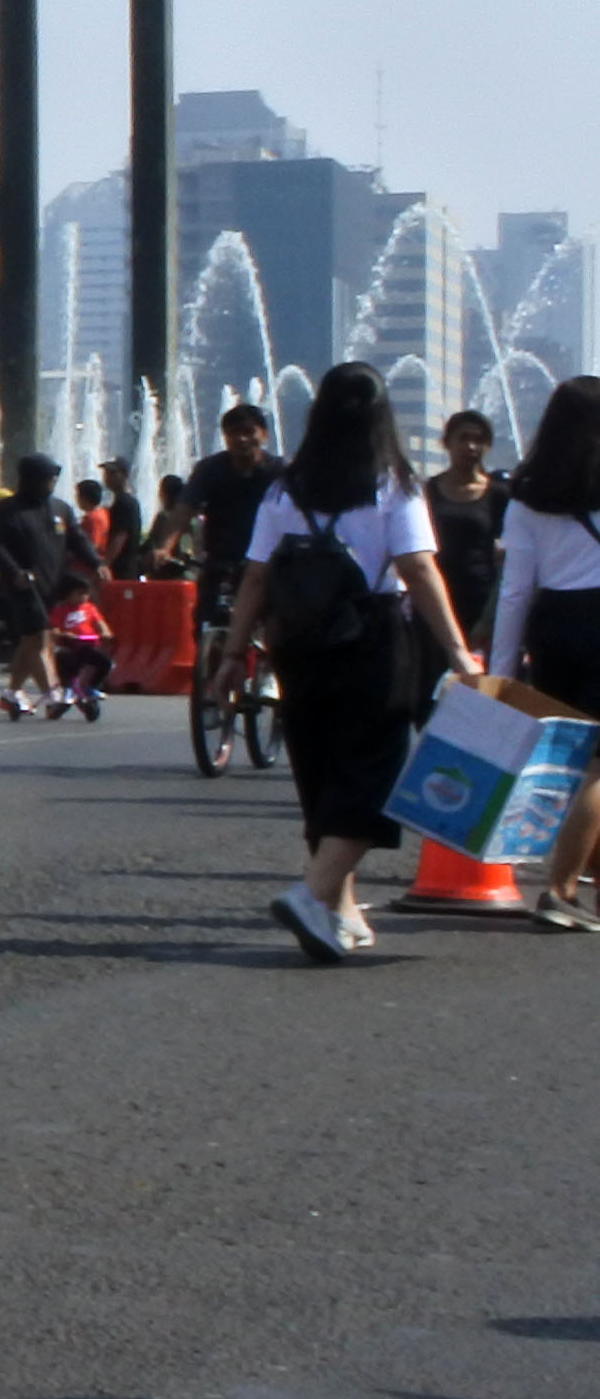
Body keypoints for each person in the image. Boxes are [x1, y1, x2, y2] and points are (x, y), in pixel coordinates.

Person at [225, 363, 480, 958]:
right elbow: (417, 568)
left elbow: (257, 575)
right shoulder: (393, 483)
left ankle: (340, 911)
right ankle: (314, 894)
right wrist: (456, 649)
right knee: (376, 769)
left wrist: (232, 653)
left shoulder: (285, 487)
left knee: (318, 765)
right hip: (371, 637)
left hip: (297, 643)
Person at [489, 377, 600, 932]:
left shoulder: (528, 496)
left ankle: (589, 885)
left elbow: (514, 592)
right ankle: (558, 891)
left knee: (572, 760)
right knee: (597, 770)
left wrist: (502, 678)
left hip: (553, 625)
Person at [0, 456, 93, 719]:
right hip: (21, 583)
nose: (52, 483)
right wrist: (14, 572)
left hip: (52, 584)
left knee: (34, 639)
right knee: (38, 634)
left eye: (54, 478)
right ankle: (52, 694)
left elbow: (77, 539)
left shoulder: (61, 509)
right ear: (31, 479)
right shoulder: (8, 510)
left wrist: (95, 562)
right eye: (47, 478)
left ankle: (10, 694)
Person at [183, 405, 280, 710]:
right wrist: (162, 546)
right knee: (206, 623)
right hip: (220, 558)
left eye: (248, 432)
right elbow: (183, 510)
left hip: (268, 561)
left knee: (274, 620)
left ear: (263, 435)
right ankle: (212, 684)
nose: (241, 439)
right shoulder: (210, 470)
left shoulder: (280, 473)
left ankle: (269, 674)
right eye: (233, 433)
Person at [425, 409, 506, 671]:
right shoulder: (427, 490)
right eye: (463, 438)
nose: (471, 446)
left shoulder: (499, 495)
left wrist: (489, 618)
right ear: (446, 442)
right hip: (435, 596)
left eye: (479, 439)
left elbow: (511, 555)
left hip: (480, 601)